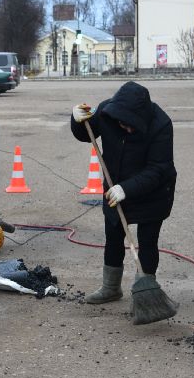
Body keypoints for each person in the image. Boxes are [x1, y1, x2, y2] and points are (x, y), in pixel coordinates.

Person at [69, 81, 178, 323]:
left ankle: (144, 294)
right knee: (114, 235)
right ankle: (111, 288)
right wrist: (76, 120)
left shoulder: (161, 124)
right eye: (122, 124)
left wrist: (126, 188)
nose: (126, 128)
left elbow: (159, 169)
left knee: (148, 241)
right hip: (115, 185)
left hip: (153, 192)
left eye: (131, 125)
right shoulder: (107, 111)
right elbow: (86, 133)